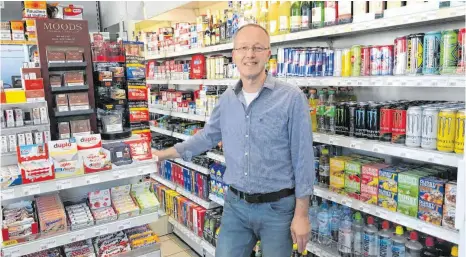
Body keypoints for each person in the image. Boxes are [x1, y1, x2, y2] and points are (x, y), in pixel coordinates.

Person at [153, 23, 314, 257]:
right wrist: (163, 154)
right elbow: (207, 137)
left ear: (269, 53)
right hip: (235, 206)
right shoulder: (227, 99)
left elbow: (303, 159)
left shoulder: (291, 98)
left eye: (258, 48)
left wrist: (302, 215)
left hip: (278, 210)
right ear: (234, 55)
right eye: (244, 48)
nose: (250, 54)